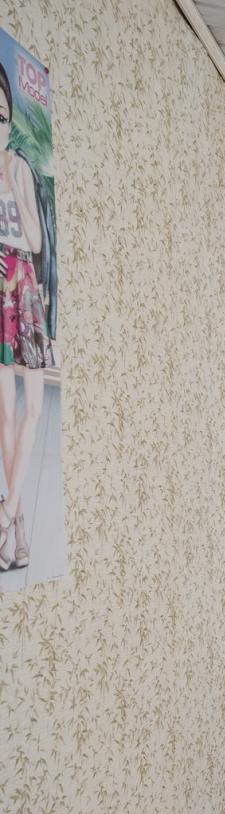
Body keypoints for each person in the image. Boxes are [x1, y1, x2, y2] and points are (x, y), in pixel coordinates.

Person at [0, 62, 54, 571]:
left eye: (1, 115)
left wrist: (13, 185)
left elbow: (36, 242)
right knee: (5, 410)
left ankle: (6, 510)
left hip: (26, 288)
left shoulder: (18, 167)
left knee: (34, 407)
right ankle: (15, 527)